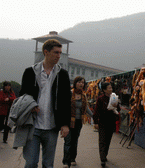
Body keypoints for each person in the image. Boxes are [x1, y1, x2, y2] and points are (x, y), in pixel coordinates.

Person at [19, 39, 71, 168]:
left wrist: (65, 124)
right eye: (56, 52)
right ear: (46, 52)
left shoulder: (62, 75)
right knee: (31, 163)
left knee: (48, 164)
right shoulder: (30, 72)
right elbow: (23, 96)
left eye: (60, 53)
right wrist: (31, 105)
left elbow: (65, 101)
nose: (59, 56)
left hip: (51, 127)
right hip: (33, 125)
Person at [63, 76, 93, 168]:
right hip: (69, 122)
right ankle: (66, 162)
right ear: (75, 83)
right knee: (68, 141)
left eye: (83, 82)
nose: (81, 84)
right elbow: (64, 107)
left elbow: (86, 108)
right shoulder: (69, 93)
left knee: (74, 141)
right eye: (79, 82)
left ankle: (72, 159)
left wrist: (94, 116)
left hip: (78, 122)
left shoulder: (83, 95)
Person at [93, 82, 120, 167]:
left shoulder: (114, 97)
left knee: (108, 140)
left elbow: (118, 109)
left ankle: (105, 154)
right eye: (109, 88)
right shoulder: (100, 99)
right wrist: (96, 122)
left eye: (111, 88)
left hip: (111, 122)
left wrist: (116, 104)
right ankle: (102, 158)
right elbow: (96, 111)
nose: (111, 89)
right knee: (102, 140)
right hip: (102, 122)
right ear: (104, 90)